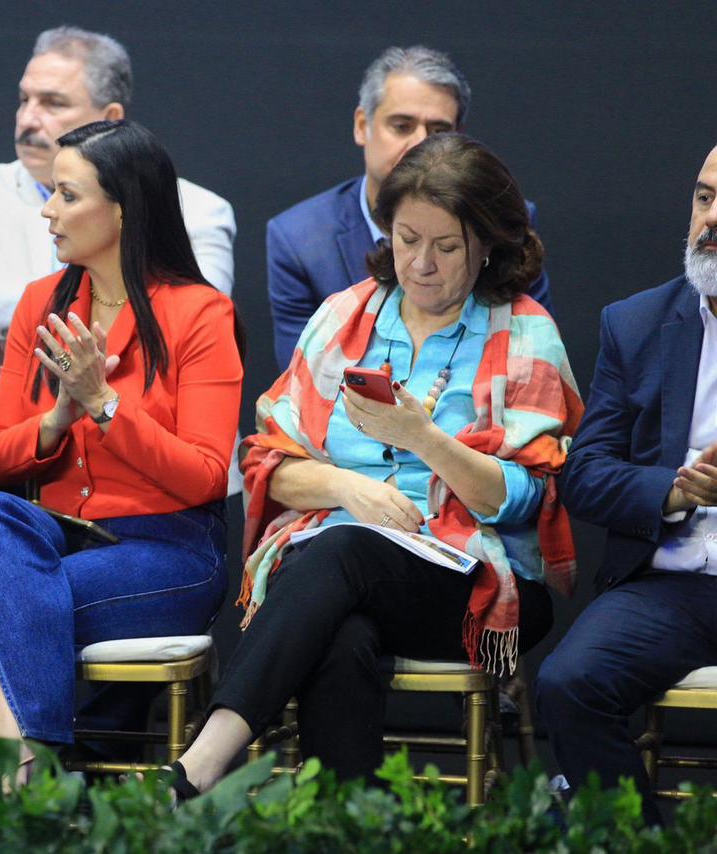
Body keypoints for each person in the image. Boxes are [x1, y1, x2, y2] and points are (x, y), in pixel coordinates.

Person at [168, 133, 581, 797]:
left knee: (341, 555)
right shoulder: (345, 317)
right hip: (339, 574)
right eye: (405, 237)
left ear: (489, 244)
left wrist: (423, 437)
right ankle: (353, 822)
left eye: (446, 247)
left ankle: (198, 766)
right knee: (342, 633)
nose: (420, 263)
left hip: (478, 582)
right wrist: (341, 485)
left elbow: (524, 498)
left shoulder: (523, 331)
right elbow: (269, 462)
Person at [0, 120, 241, 783]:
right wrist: (59, 417)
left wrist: (105, 404)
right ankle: (27, 762)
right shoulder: (41, 304)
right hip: (57, 537)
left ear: (123, 207)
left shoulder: (199, 312)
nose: (47, 210)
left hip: (168, 549)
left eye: (66, 195)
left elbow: (206, 478)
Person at [535, 144, 717, 827]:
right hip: (670, 583)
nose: (711, 219)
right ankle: (644, 844)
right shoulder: (637, 323)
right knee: (570, 682)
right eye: (703, 198)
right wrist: (678, 490)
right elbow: (586, 475)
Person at [0, 25, 235, 416]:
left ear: (109, 118)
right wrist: (102, 315)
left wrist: (25, 335)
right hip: (9, 434)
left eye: (53, 103)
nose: (28, 118)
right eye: (24, 99)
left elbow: (190, 321)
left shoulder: (198, 208)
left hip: (154, 424)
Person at [266, 45, 553, 368]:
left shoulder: (503, 220)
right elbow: (303, 379)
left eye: (438, 130)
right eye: (401, 126)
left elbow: (527, 360)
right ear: (362, 125)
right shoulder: (299, 240)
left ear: (458, 138)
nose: (420, 144)